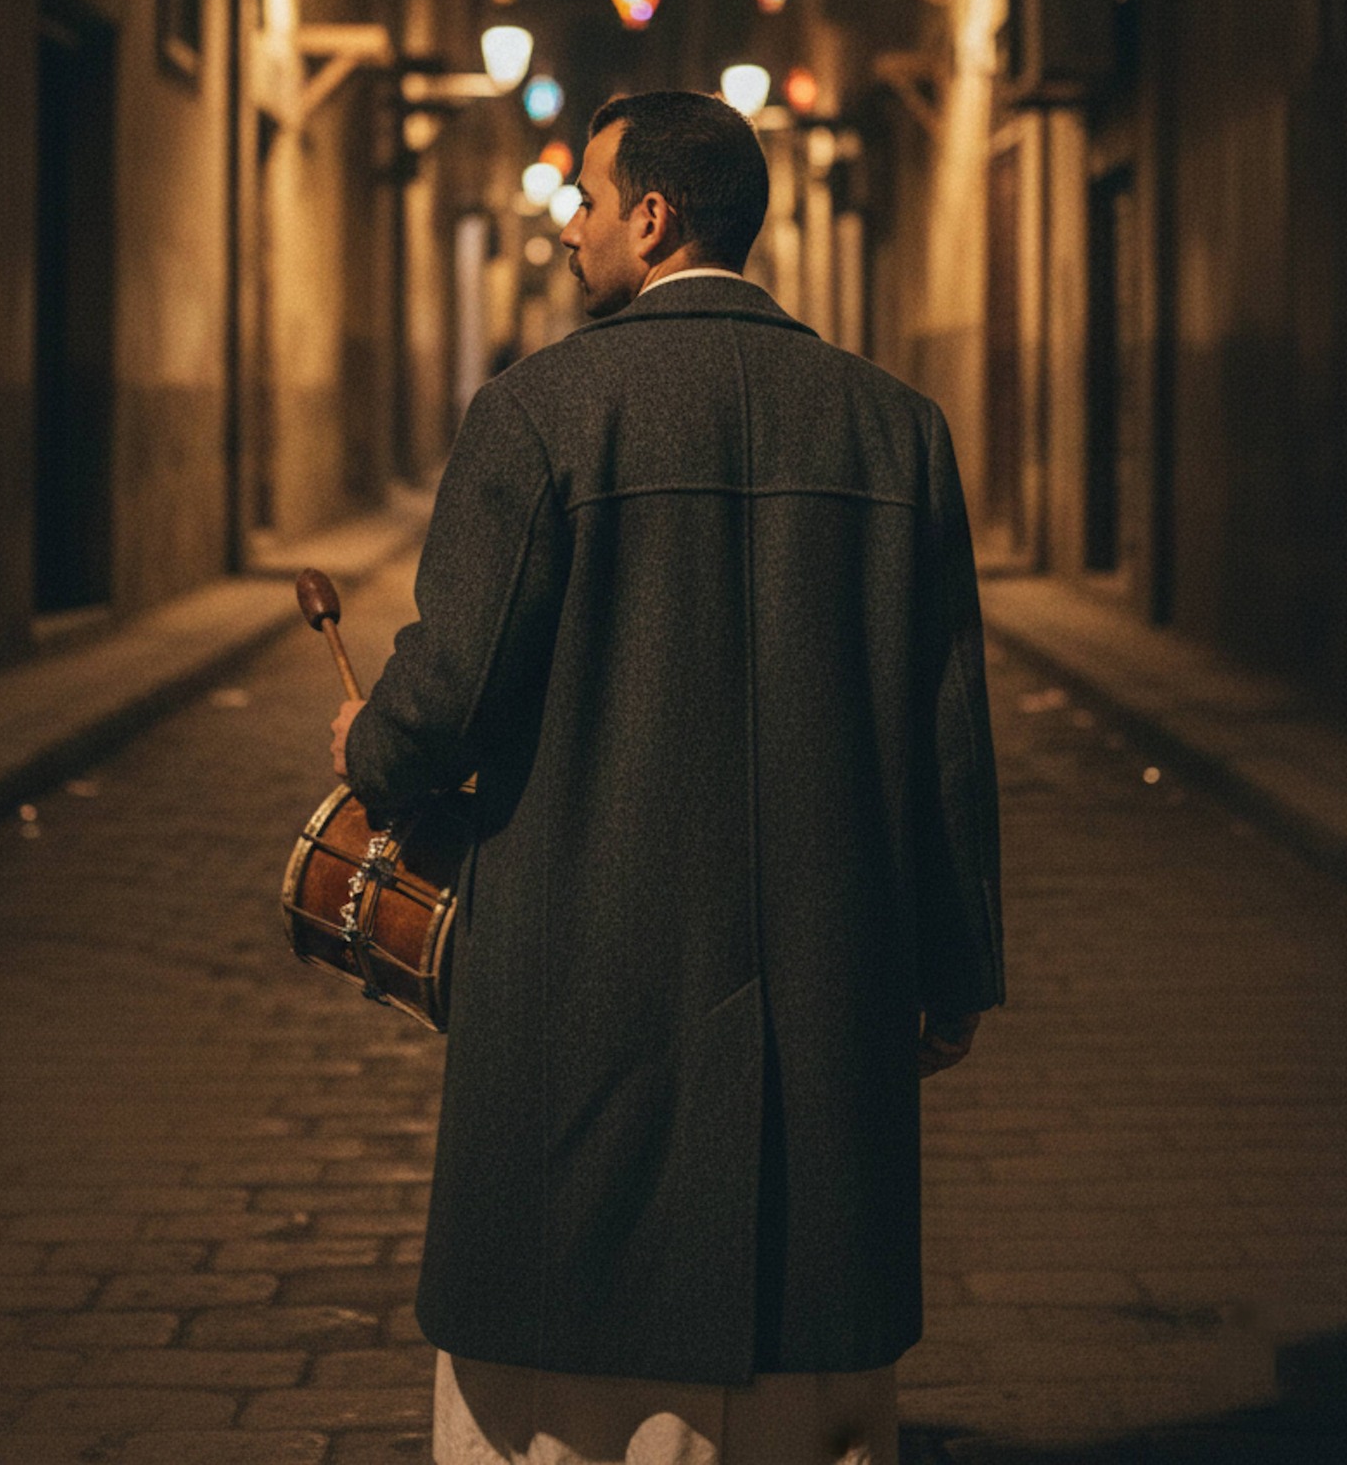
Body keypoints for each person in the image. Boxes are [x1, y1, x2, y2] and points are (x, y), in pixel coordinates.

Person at [330, 89, 1004, 1465]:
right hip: (826, 999)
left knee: (564, 1397)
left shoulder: (539, 412)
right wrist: (952, 970)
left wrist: (367, 747)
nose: (566, 224)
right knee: (803, 1394)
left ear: (652, 216)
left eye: (583, 198)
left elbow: (445, 691)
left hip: (580, 1000)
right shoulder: (895, 428)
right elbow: (947, 743)